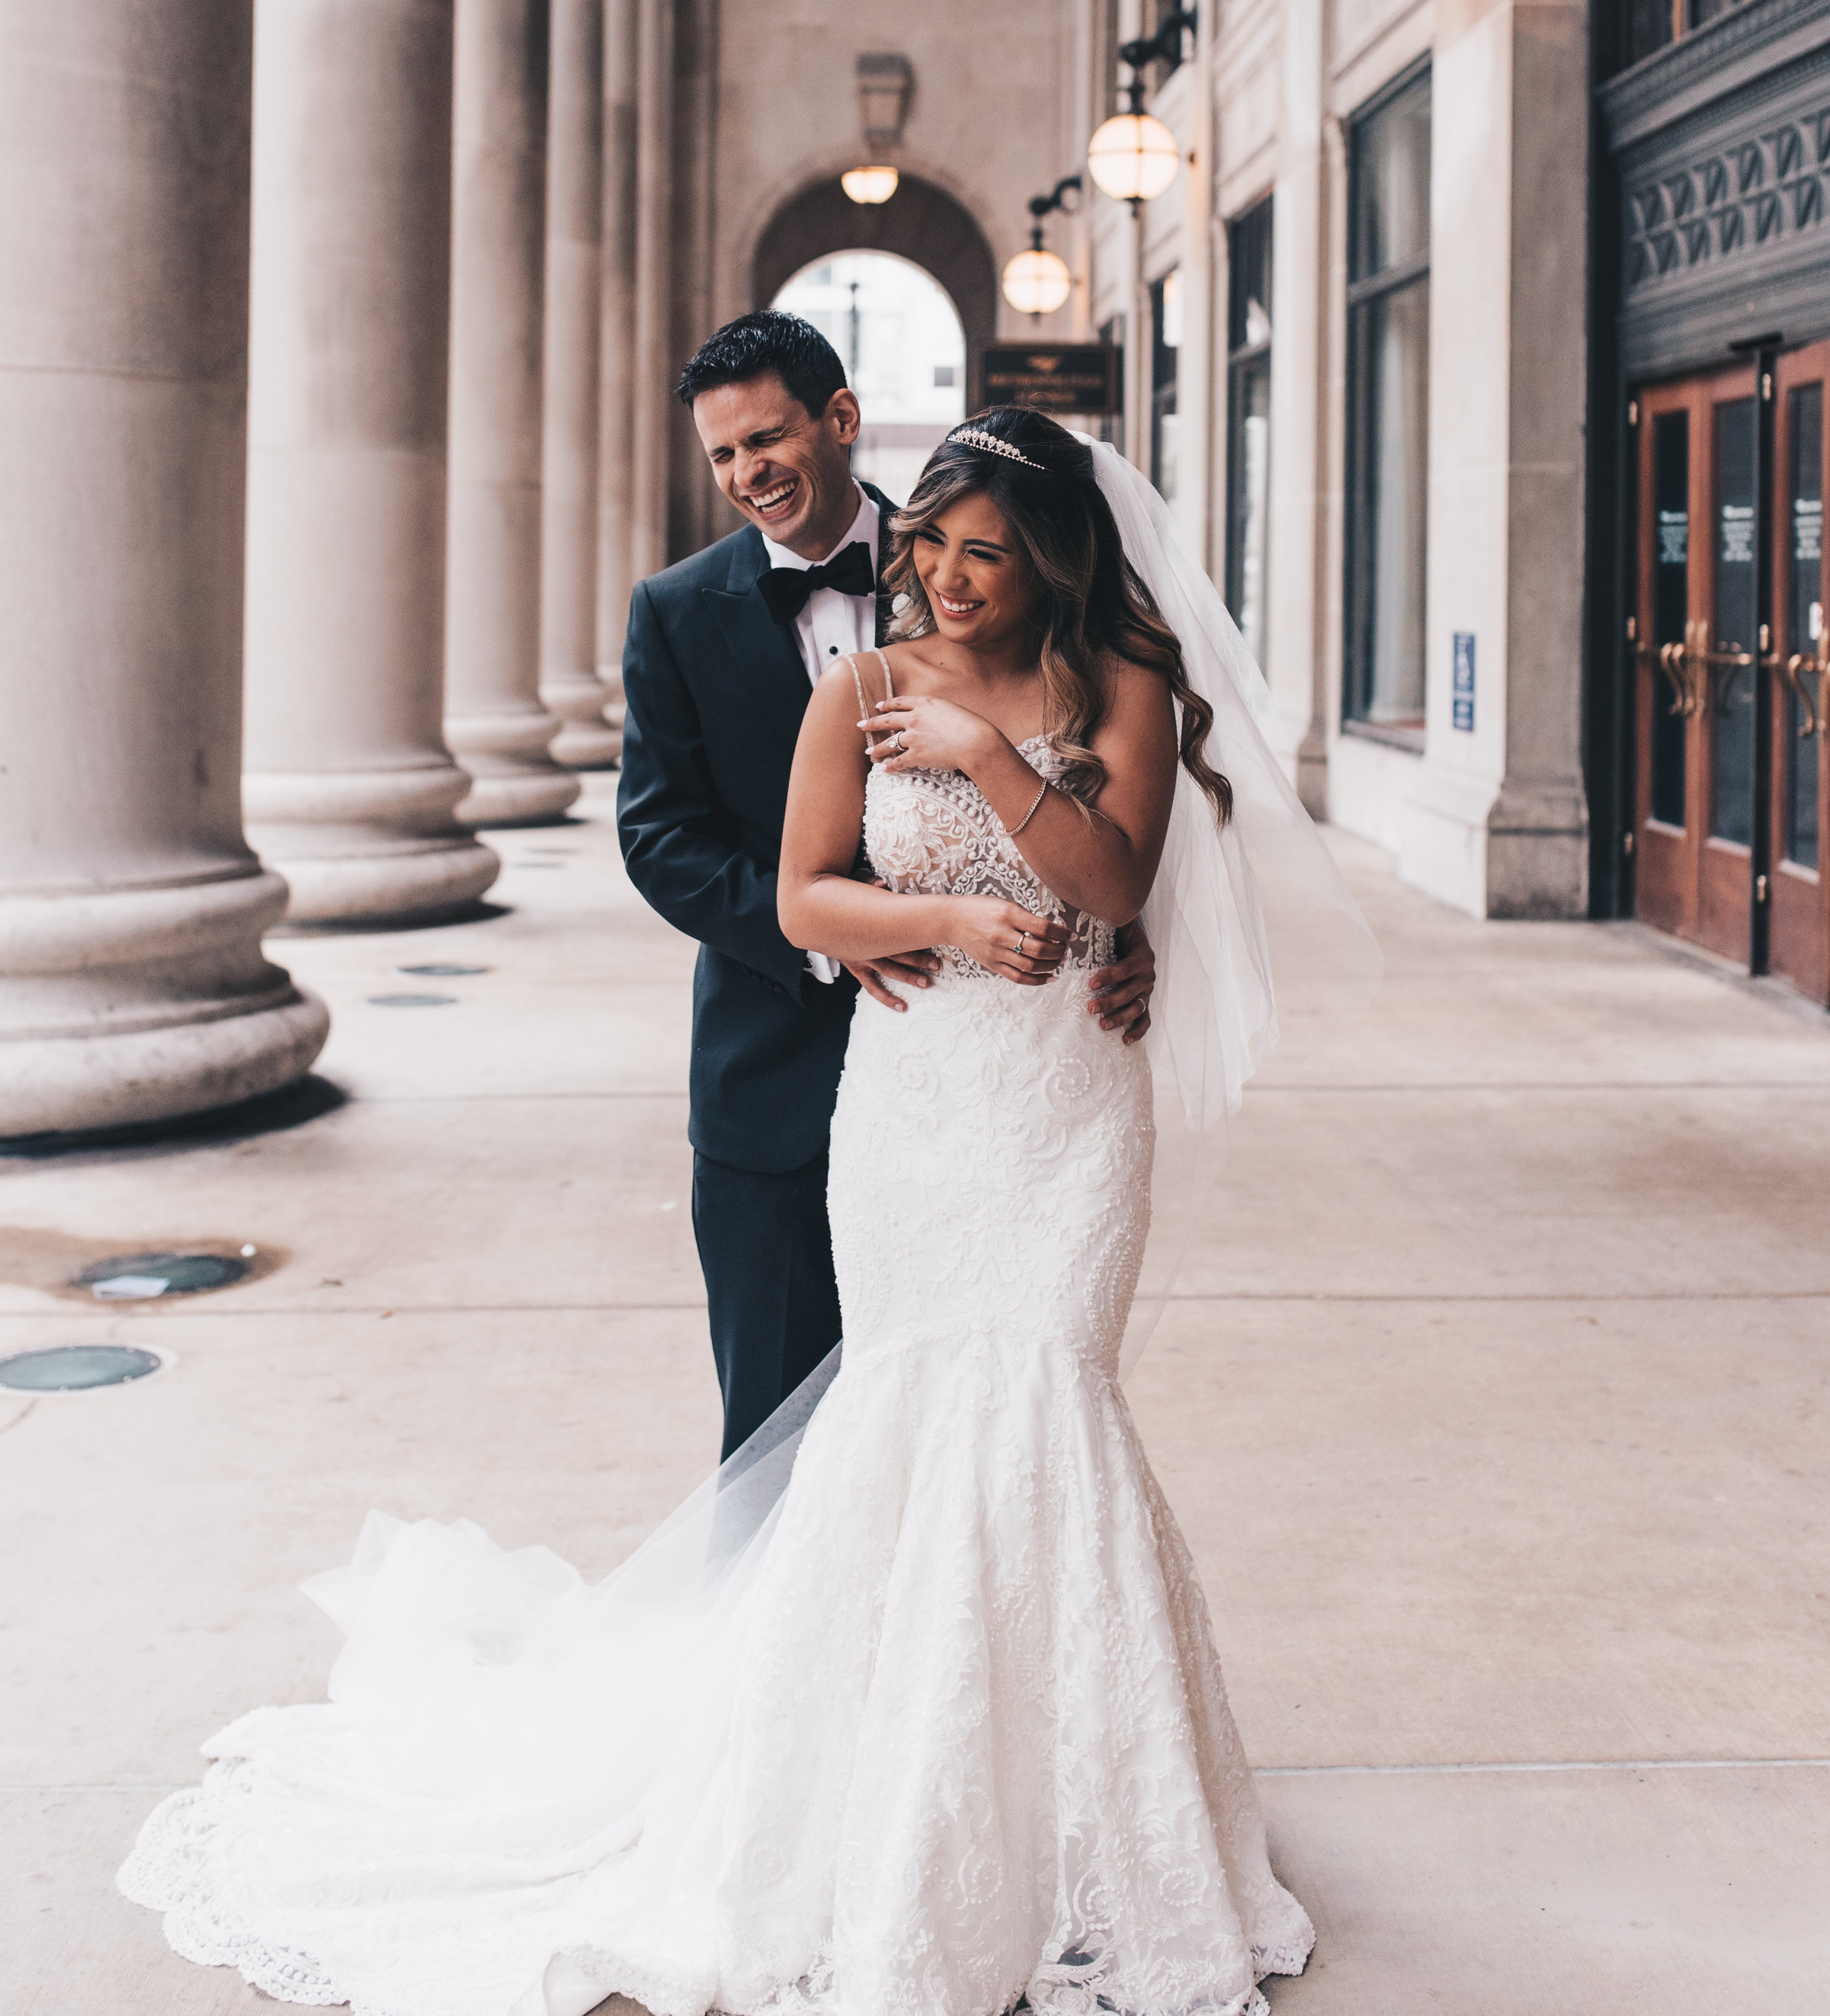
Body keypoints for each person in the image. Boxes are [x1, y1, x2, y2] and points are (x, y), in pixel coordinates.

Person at [120, 404, 1367, 2016]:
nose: (948, 574)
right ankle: (881, 1796)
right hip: (916, 1105)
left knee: (1049, 1394)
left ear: (1054, 557)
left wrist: (993, 762)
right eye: (929, 544)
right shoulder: (856, 689)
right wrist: (940, 913)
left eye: (986, 550)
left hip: (1065, 1113)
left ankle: (1067, 1810)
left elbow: (1118, 882)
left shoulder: (1114, 683)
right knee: (906, 1415)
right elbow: (798, 895)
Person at [616, 309, 1155, 1458]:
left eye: (766, 439)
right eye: (722, 455)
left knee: (997, 1418)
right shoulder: (674, 612)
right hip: (773, 1067)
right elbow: (661, 839)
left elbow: (1095, 801)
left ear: (841, 419)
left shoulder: (963, 542)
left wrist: (1122, 930)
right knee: (774, 1436)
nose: (747, 473)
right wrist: (843, 935)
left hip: (1017, 1080)